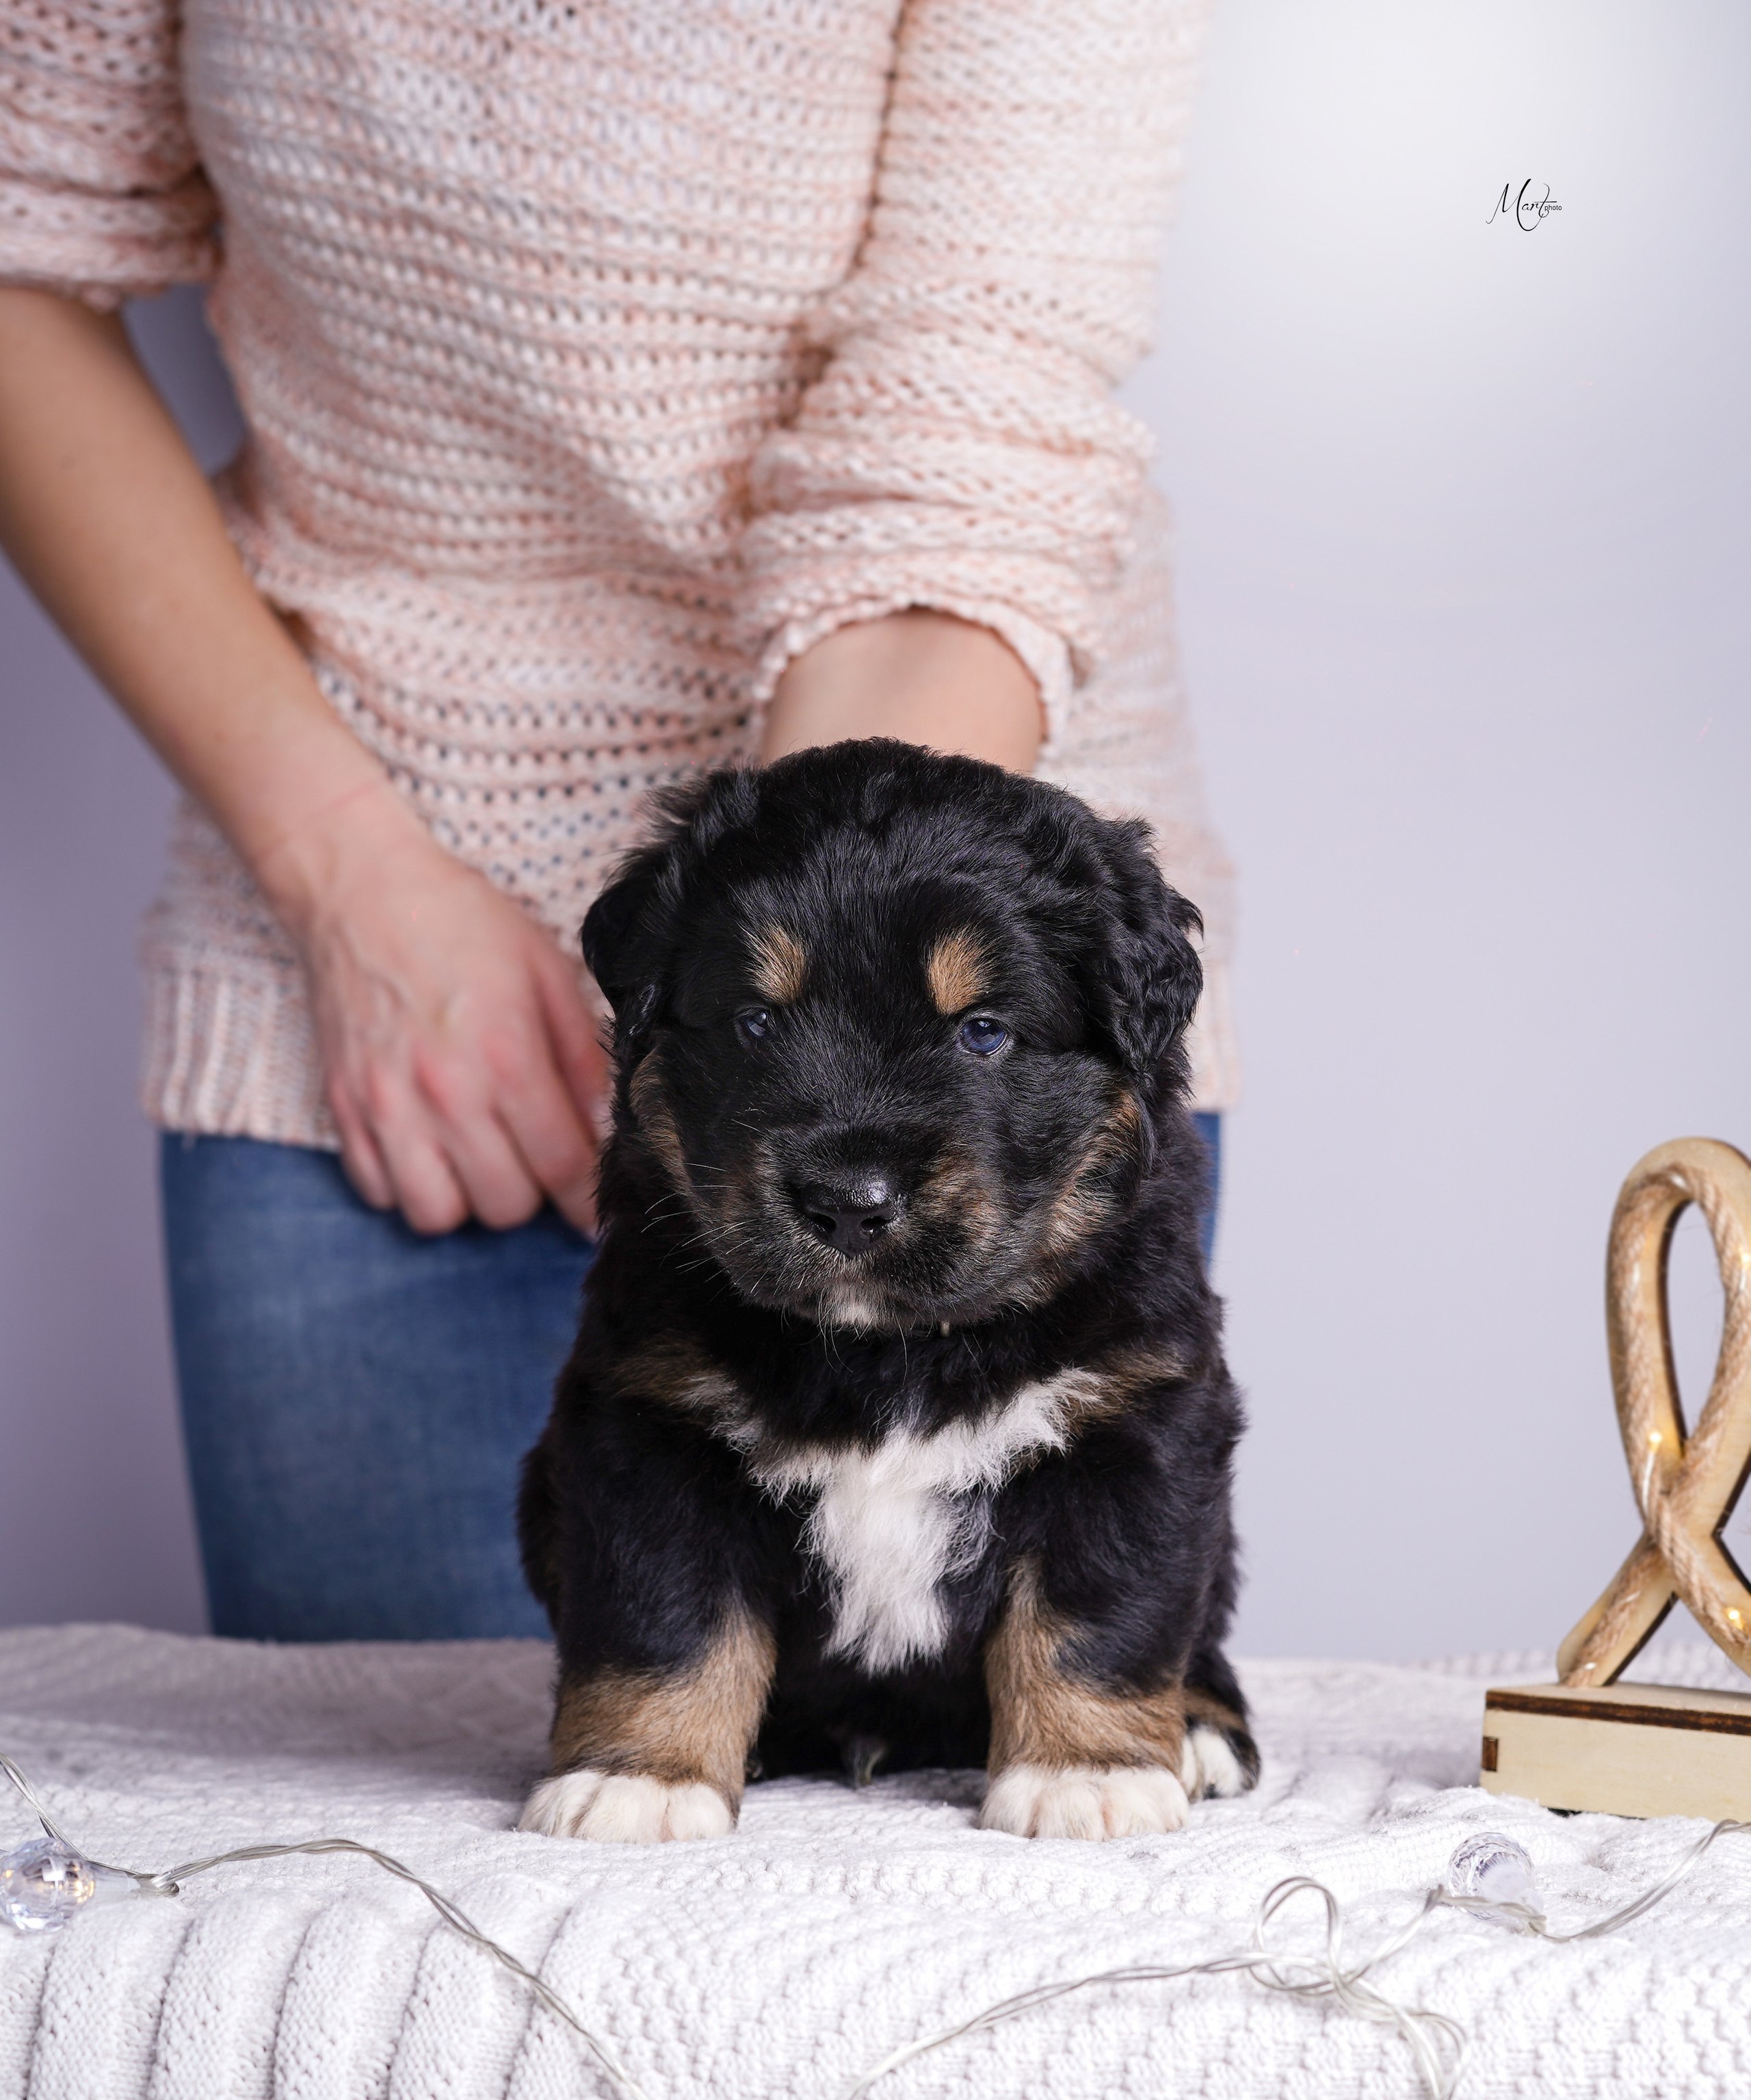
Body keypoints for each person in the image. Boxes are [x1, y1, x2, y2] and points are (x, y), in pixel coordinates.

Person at [0, 0, 1238, 1642]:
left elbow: (966, 439)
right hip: (362, 998)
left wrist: (793, 1096)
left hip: (952, 994)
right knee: (397, 1840)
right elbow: (22, 252)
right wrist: (342, 878)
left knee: (1006, 1798)